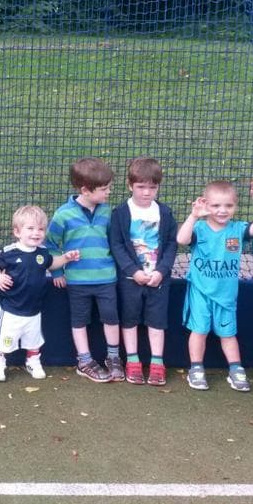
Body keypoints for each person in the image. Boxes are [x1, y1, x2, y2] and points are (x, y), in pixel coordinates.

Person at [177, 179, 253, 392]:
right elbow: (181, 239)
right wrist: (193, 215)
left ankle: (236, 369)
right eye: (216, 205)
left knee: (228, 334)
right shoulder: (199, 228)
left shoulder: (237, 229)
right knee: (199, 331)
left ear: (235, 206)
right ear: (206, 205)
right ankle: (196, 369)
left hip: (226, 296)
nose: (222, 210)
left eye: (228, 206)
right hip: (201, 292)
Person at [46, 157, 122, 383]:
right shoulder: (63, 215)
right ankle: (84, 360)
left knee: (111, 317)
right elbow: (50, 245)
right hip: (77, 280)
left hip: (107, 278)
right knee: (79, 320)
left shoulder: (107, 212)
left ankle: (113, 358)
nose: (108, 192)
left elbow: (113, 240)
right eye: (104, 189)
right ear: (85, 190)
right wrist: (57, 272)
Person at [0, 205, 79, 382]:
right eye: (30, 228)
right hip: (11, 310)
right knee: (4, 341)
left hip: (34, 310)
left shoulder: (43, 252)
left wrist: (67, 257)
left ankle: (33, 361)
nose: (36, 233)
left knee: (34, 340)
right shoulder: (10, 252)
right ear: (17, 231)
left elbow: (52, 264)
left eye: (41, 229)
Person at [108, 157, 178, 386]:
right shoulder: (120, 212)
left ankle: (157, 363)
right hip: (130, 279)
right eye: (141, 187)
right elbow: (116, 244)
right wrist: (132, 271)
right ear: (130, 185)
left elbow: (170, 244)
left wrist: (162, 271)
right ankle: (133, 361)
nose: (147, 192)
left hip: (158, 279)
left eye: (152, 187)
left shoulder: (165, 213)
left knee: (157, 322)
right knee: (129, 320)